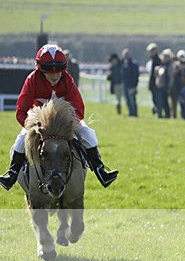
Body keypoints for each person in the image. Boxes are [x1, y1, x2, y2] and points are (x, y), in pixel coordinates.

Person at [0, 44, 118, 190]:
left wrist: (69, 124)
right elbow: (21, 111)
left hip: (64, 124)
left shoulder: (67, 80)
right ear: (40, 69)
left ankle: (101, 171)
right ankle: (12, 174)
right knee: (20, 140)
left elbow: (79, 109)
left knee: (89, 134)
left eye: (58, 71)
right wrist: (32, 126)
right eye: (49, 72)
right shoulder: (32, 80)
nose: (55, 76)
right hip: (39, 124)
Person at [121, 48, 140, 117]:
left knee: (132, 101)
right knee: (127, 101)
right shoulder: (122, 63)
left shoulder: (133, 64)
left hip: (131, 85)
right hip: (125, 85)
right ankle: (130, 113)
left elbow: (136, 76)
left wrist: (135, 86)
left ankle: (134, 113)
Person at [146, 42, 162, 116]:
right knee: (154, 99)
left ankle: (159, 114)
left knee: (157, 100)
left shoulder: (158, 60)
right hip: (153, 84)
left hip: (157, 84)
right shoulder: (152, 60)